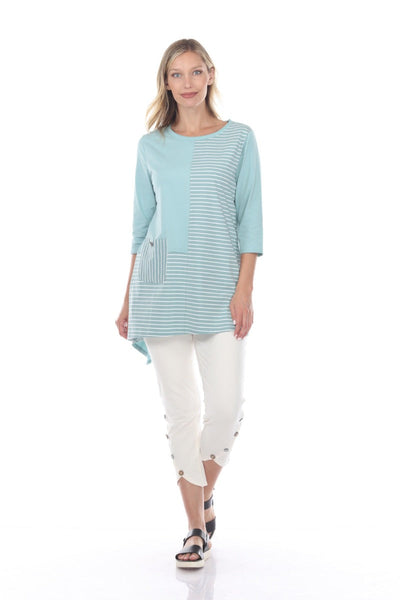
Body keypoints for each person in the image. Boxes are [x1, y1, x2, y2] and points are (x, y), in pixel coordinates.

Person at [115, 38, 263, 568]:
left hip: (220, 286)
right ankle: (196, 528)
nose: (187, 83)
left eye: (196, 71)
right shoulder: (149, 146)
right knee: (182, 413)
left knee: (225, 408)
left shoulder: (240, 139)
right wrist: (127, 298)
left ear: (210, 74)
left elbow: (250, 218)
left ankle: (202, 495)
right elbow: (141, 227)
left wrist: (244, 289)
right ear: (166, 82)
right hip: (159, 288)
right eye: (176, 74)